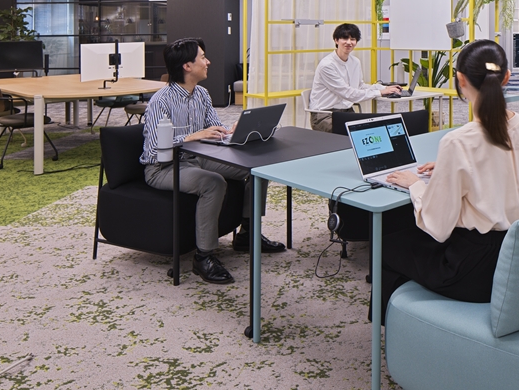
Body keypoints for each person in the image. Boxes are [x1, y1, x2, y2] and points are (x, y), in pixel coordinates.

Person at [376, 39, 519, 321]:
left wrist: (416, 184)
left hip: (474, 270)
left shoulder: (458, 142)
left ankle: (399, 331)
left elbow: (438, 226)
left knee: (387, 246)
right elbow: (512, 175)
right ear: (506, 77)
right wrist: (450, 168)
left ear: (461, 79)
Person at [141, 38, 285, 286]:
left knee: (256, 169)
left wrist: (232, 130)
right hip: (164, 167)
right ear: (187, 66)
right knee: (213, 183)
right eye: (203, 58)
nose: (208, 62)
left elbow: (214, 129)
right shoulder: (160, 101)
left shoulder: (202, 94)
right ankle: (203, 256)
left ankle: (247, 234)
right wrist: (191, 136)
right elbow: (155, 150)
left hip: (198, 158)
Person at [309, 23, 401, 132]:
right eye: (345, 38)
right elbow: (348, 93)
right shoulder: (327, 65)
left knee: (373, 130)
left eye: (352, 39)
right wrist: (379, 93)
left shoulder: (355, 62)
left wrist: (384, 88)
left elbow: (360, 86)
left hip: (346, 112)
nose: (349, 42)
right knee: (355, 133)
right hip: (324, 115)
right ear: (336, 40)